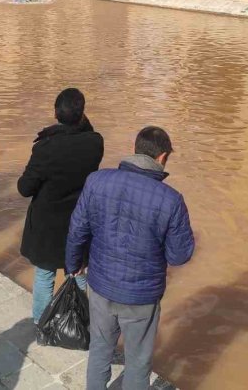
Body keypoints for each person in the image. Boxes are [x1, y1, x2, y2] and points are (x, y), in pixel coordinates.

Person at [66, 126, 195, 390]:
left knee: (100, 349)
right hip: (141, 296)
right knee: (137, 361)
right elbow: (179, 255)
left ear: (135, 149)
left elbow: (77, 228)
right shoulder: (171, 200)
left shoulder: (97, 180)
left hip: (100, 285)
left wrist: (73, 265)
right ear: (162, 158)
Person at [17, 88, 103, 330]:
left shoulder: (46, 147)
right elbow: (87, 132)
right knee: (77, 272)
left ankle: (41, 321)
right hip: (79, 219)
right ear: (83, 115)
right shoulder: (95, 143)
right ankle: (77, 322)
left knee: (45, 274)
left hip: (47, 224)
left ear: (56, 114)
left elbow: (25, 188)